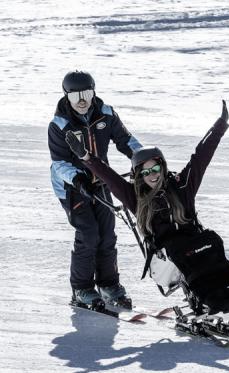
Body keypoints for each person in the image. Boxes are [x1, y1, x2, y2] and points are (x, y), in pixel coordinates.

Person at [65, 100, 229, 315]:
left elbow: (201, 157)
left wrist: (220, 125)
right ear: (138, 177)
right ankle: (209, 299)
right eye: (144, 173)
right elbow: (109, 177)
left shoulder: (181, 186)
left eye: (154, 168)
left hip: (192, 247)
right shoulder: (135, 197)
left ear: (162, 166)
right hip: (164, 260)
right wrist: (85, 157)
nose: (152, 175)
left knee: (211, 241)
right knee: (185, 252)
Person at [48, 70, 143, 310]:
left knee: (107, 233)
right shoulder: (60, 124)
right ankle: (81, 289)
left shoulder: (106, 114)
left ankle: (109, 285)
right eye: (75, 95)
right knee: (89, 234)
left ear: (94, 92)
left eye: (87, 93)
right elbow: (59, 164)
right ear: (67, 96)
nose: (82, 100)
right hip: (72, 187)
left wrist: (143, 161)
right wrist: (78, 180)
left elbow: (126, 140)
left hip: (101, 180)